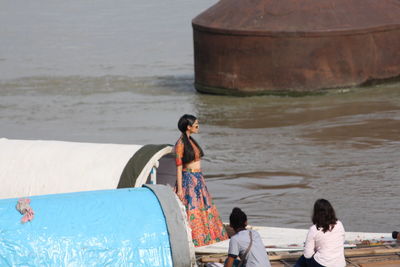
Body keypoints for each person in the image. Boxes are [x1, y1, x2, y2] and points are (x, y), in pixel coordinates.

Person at [174, 114, 228, 247]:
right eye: (196, 124)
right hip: (188, 179)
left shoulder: (191, 141)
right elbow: (179, 167)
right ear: (188, 126)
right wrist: (180, 190)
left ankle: (209, 237)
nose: (198, 126)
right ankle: (196, 240)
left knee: (204, 207)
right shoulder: (180, 144)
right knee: (193, 209)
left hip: (198, 179)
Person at [294, 199, 346, 267]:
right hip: (340, 265)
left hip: (323, 264)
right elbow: (342, 240)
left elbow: (307, 255)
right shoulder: (339, 224)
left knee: (303, 259)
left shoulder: (314, 229)